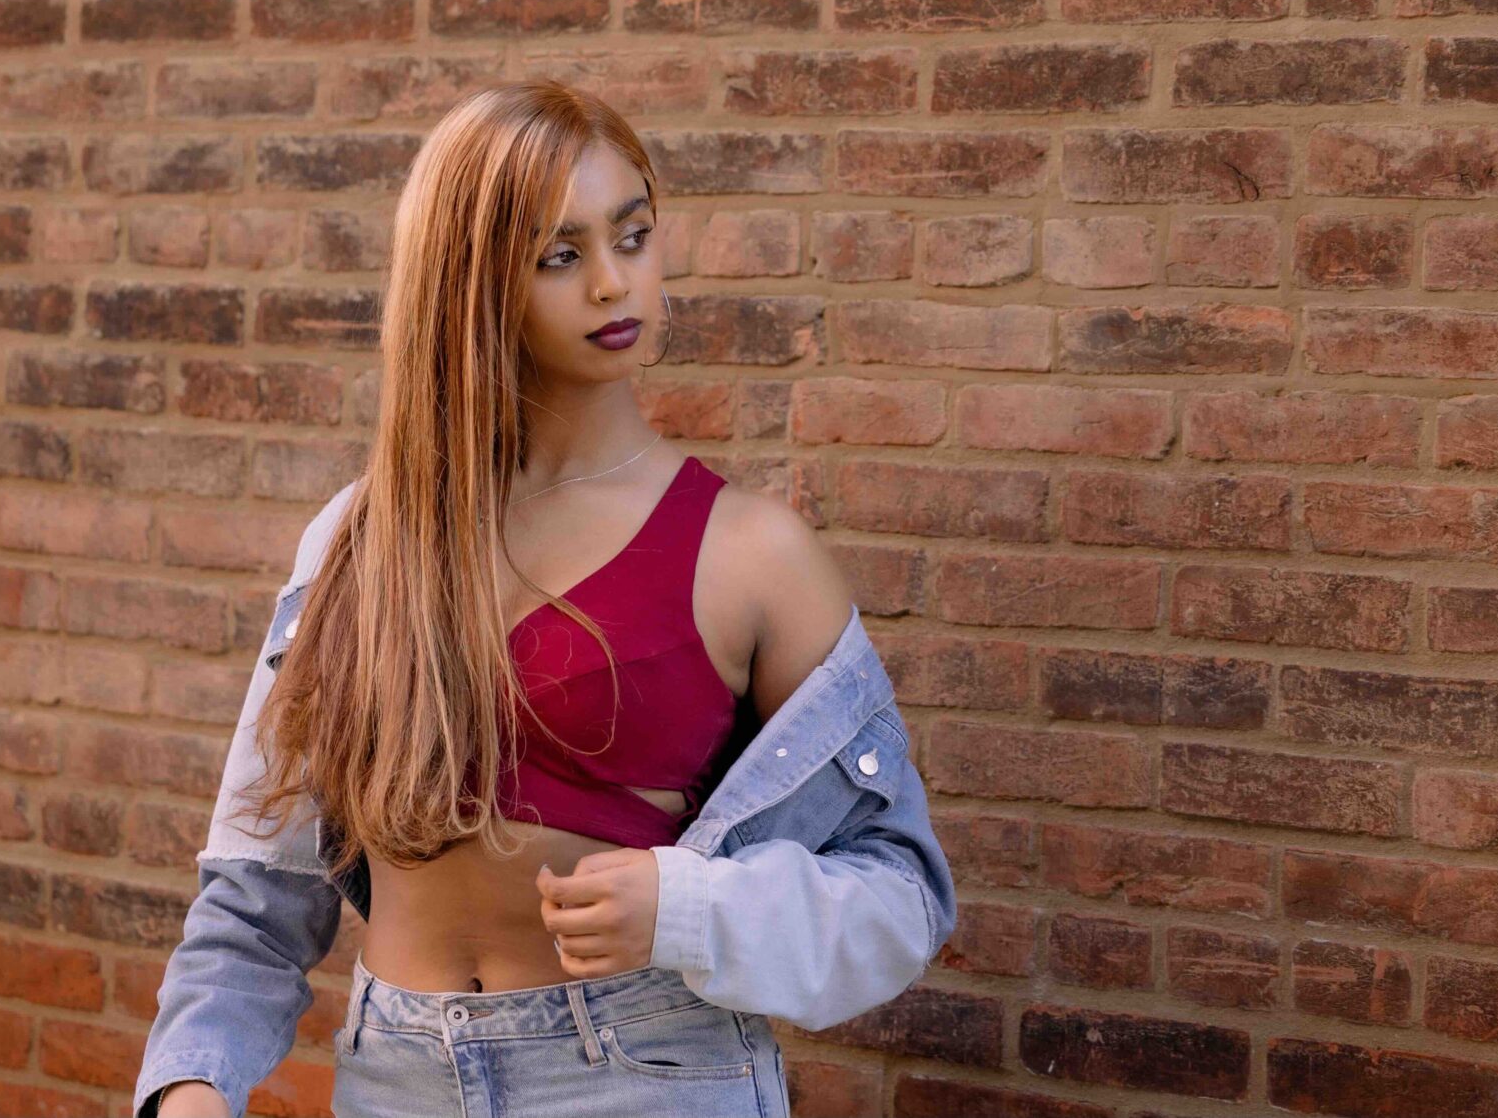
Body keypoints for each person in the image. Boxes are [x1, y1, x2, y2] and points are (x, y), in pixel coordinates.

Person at [137, 80, 957, 1118]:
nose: (614, 282)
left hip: (642, 1076)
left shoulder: (751, 555)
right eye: (559, 255)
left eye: (633, 235)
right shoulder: (359, 541)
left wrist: (689, 908)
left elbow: (902, 891)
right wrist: (191, 1080)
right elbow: (258, 886)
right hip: (394, 1078)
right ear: (469, 281)